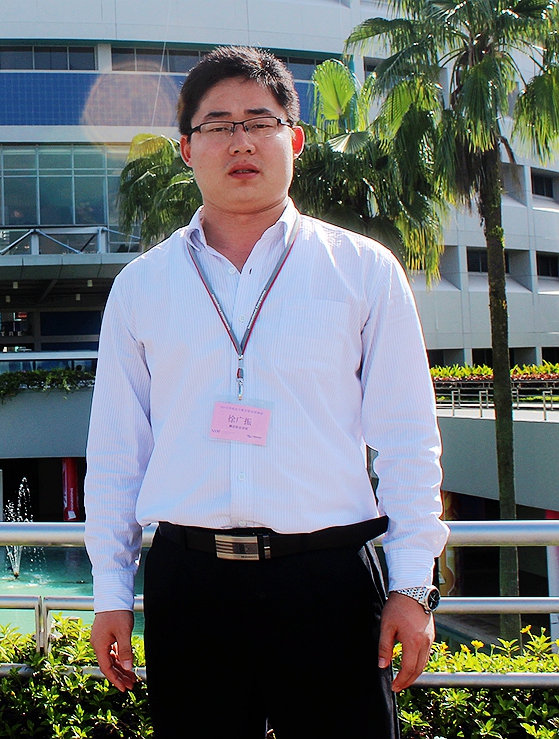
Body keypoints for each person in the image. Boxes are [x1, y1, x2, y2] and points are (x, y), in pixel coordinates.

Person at [84, 46, 448, 739]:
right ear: (187, 148)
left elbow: (407, 440)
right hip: (191, 585)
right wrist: (111, 592)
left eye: (260, 121)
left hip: (329, 583)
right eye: (218, 126)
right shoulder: (141, 287)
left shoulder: (363, 272)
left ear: (295, 140)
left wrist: (411, 585)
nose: (241, 141)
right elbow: (116, 455)